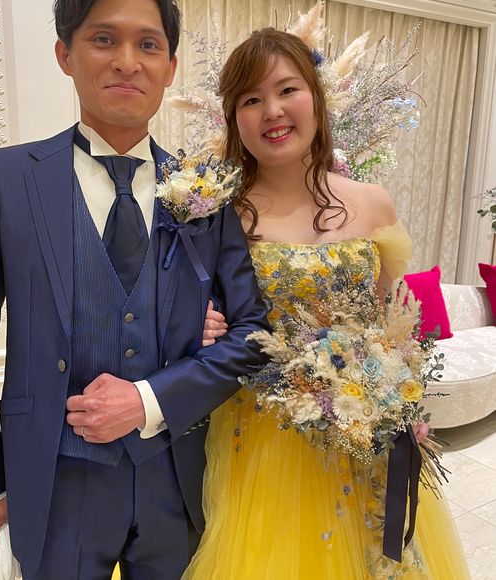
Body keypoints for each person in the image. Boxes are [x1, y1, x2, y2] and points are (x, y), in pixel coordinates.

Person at [0, 0, 270, 578]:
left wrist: (150, 400)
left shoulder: (205, 192)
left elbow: (252, 334)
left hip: (176, 475)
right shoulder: (4, 180)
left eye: (148, 45)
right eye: (103, 39)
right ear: (65, 54)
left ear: (170, 67)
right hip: (54, 476)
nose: (127, 61)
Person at [184, 28, 471, 579]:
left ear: (315, 98)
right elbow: (192, 317)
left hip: (367, 434)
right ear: (234, 118)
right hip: (265, 439)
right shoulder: (218, 217)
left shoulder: (372, 204)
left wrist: (401, 396)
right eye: (251, 99)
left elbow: (394, 323)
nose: (272, 111)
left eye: (287, 90)